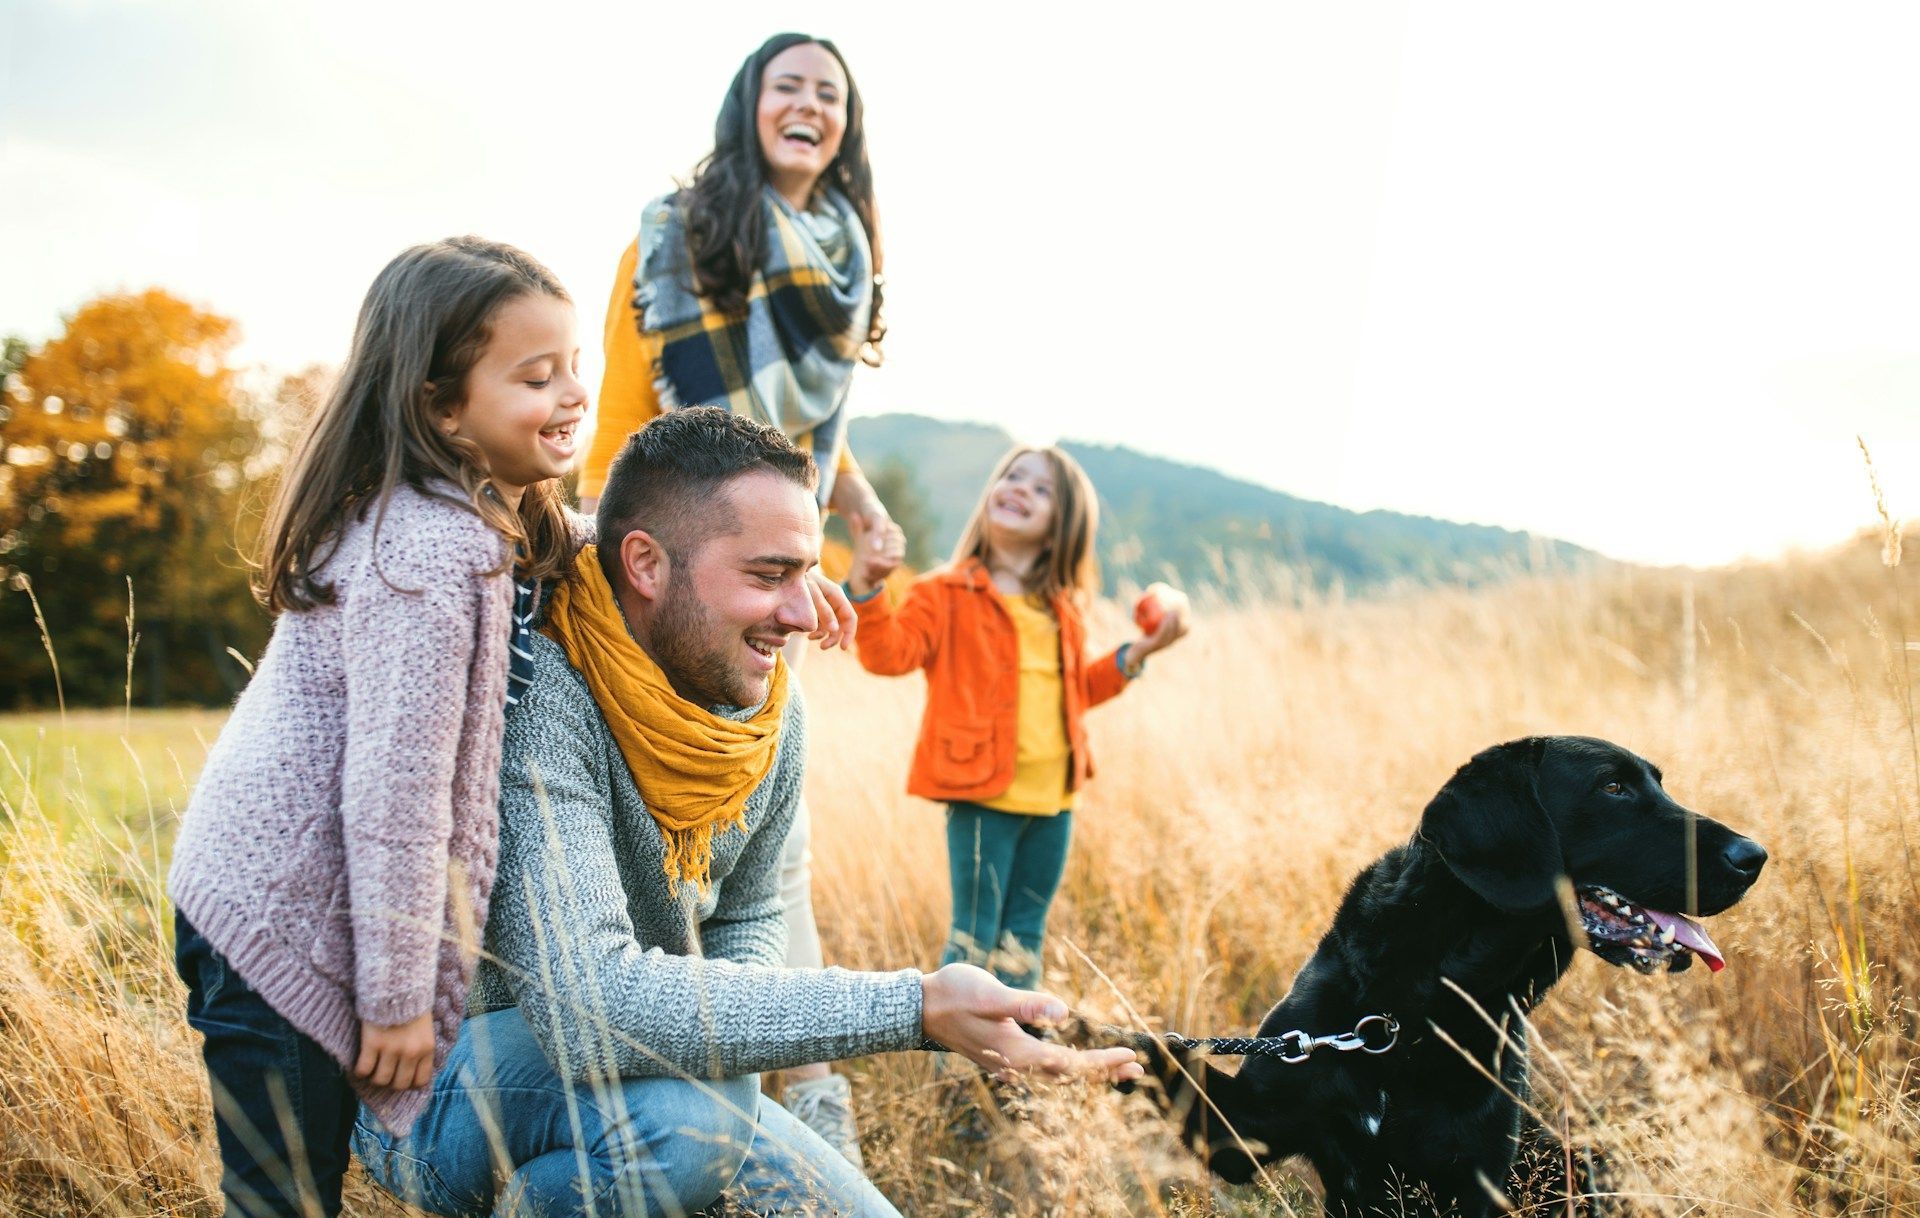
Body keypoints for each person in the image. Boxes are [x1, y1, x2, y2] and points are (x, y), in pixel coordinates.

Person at [350, 408, 1141, 1217]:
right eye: (769, 576)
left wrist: (724, 1030)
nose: (804, 615)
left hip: (659, 1082)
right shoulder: (540, 684)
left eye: (806, 571)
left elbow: (753, 908)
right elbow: (586, 1014)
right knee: (697, 1121)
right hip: (440, 1087)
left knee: (778, 1157)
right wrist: (916, 1006)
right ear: (646, 564)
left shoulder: (765, 706)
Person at [166, 236, 589, 1216]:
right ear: (442, 406)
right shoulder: (431, 550)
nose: (572, 393)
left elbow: (579, 534)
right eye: (537, 376)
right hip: (273, 913)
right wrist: (397, 997)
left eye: (576, 367)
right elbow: (397, 793)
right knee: (284, 1199)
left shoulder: (469, 511)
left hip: (266, 899)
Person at [576, 30, 900, 1159]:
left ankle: (791, 1118)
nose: (811, 104)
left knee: (763, 846)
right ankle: (719, 1108)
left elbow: (796, 447)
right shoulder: (675, 238)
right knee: (664, 843)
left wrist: (843, 524)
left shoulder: (843, 260)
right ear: (748, 107)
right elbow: (633, 425)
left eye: (832, 92)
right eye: (788, 85)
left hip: (767, 574)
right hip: (659, 571)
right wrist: (610, 562)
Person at [846, 446, 1191, 989]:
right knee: (975, 938)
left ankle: (1013, 1059)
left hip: (1054, 802)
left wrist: (1139, 652)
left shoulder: (1062, 607)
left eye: (1040, 488)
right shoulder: (943, 592)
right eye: (1011, 476)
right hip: (982, 798)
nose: (1018, 488)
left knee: (1023, 939)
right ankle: (956, 1064)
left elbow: (1077, 693)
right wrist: (867, 588)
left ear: (1062, 527)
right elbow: (889, 654)